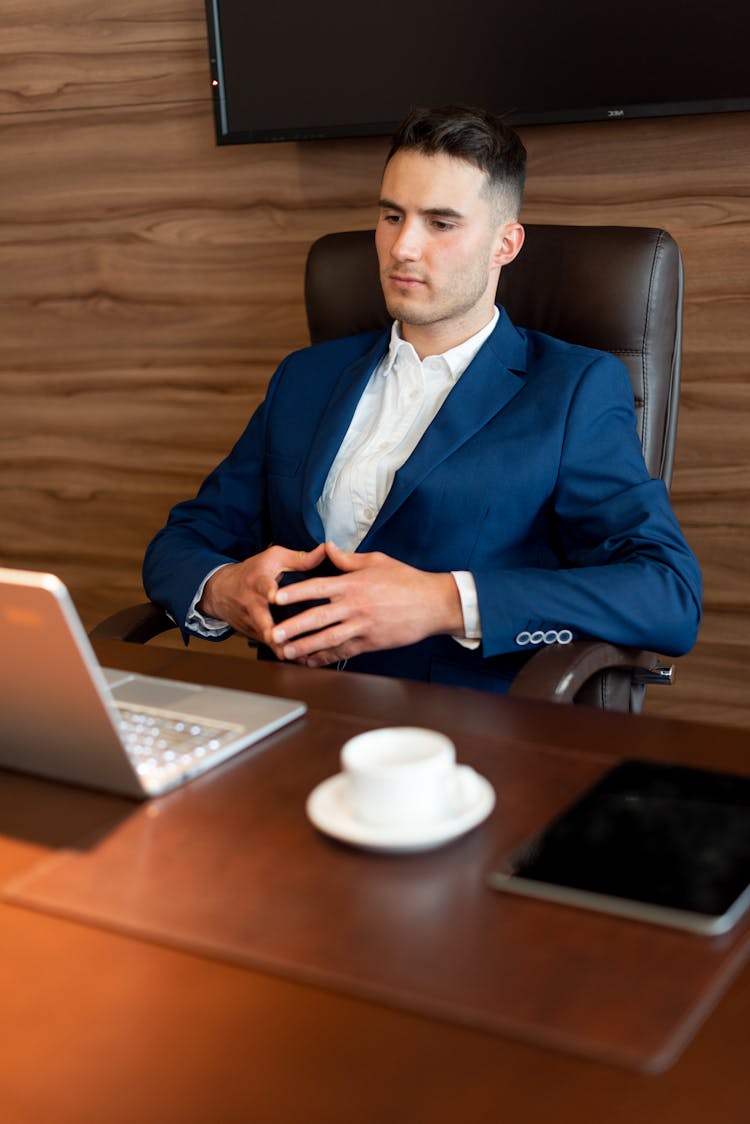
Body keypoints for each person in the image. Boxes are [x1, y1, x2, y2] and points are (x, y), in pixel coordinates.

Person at [143, 104, 701, 694]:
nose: (402, 247)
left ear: (504, 245)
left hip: (463, 737)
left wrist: (444, 601)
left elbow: (666, 594)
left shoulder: (574, 388)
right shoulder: (305, 376)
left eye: (441, 223)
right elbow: (181, 541)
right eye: (391, 215)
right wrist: (222, 588)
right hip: (292, 716)